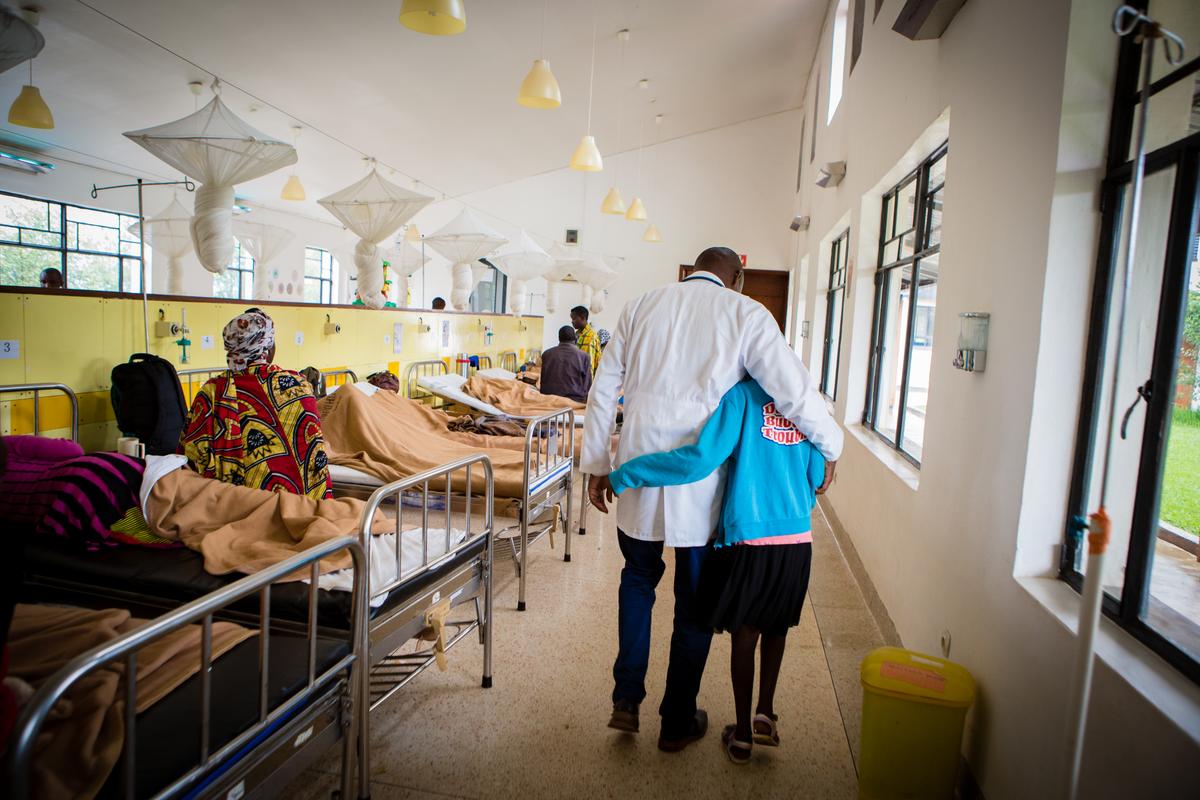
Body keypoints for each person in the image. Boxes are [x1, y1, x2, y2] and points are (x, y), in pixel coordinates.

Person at [580, 245, 841, 752]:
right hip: (701, 491)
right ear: (737, 277)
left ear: (691, 270)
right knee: (694, 606)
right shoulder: (747, 314)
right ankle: (677, 719)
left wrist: (597, 465)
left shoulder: (641, 305)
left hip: (635, 474)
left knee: (637, 580)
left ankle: (626, 698)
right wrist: (832, 447)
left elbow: (603, 388)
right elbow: (793, 391)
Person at [594, 377, 825, 763]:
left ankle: (739, 735)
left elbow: (700, 459)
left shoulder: (741, 397)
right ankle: (756, 714)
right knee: (770, 626)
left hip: (750, 537)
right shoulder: (806, 401)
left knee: (743, 632)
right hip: (797, 540)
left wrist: (625, 473)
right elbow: (817, 477)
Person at [179, 308, 333, 501]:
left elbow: (192, 454)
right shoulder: (299, 384)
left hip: (240, 504)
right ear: (267, 349)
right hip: (307, 503)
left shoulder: (212, 392)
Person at [538, 325, 593, 403]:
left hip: (549, 400)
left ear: (559, 338)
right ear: (575, 338)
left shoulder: (546, 354)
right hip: (574, 401)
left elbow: (543, 380)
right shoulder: (584, 356)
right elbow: (588, 385)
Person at [571, 305, 602, 374]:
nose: (572, 321)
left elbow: (590, 365)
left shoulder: (591, 337)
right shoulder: (576, 335)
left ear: (582, 318)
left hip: (585, 380)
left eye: (574, 318)